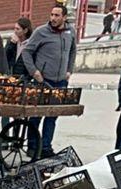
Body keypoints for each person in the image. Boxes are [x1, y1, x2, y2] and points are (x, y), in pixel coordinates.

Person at [21, 4, 78, 159]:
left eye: (57, 15)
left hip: (60, 81)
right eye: (52, 14)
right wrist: (35, 72)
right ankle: (33, 146)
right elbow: (26, 52)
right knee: (36, 115)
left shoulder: (70, 31)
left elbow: (73, 50)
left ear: (64, 17)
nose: (53, 18)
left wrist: (69, 70)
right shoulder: (41, 32)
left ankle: (46, 146)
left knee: (52, 116)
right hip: (42, 80)